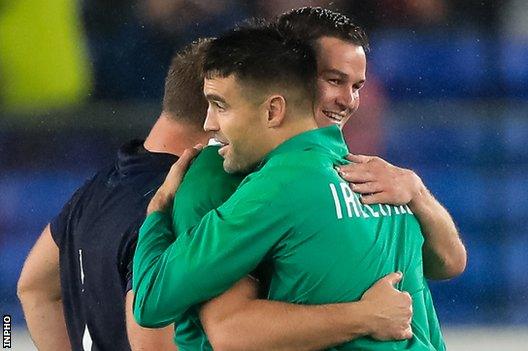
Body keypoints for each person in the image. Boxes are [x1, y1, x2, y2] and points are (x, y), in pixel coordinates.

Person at [132, 23, 445, 350]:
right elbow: (434, 298)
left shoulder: (269, 187)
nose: (209, 124)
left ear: (273, 110)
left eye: (220, 105)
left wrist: (156, 213)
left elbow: (152, 302)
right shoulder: (386, 187)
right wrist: (364, 315)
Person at [16, 39, 214, 351]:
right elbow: (152, 343)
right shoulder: (177, 204)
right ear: (217, 113)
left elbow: (33, 287)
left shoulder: (101, 185)